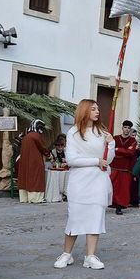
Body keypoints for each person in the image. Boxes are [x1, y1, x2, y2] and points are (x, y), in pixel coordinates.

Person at [56, 98, 111, 270]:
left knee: (95, 217)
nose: (97, 111)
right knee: (75, 217)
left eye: (97, 109)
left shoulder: (101, 132)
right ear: (84, 111)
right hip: (79, 182)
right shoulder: (73, 132)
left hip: (98, 181)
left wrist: (111, 144)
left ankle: (90, 256)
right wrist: (95, 161)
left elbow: (107, 160)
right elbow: (72, 159)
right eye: (93, 109)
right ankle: (67, 254)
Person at [111, 121, 139, 215]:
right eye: (125, 127)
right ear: (122, 128)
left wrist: (118, 149)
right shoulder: (115, 138)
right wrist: (124, 151)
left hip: (126, 168)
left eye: (128, 128)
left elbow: (130, 152)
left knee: (123, 188)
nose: (127, 129)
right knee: (113, 186)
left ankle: (120, 206)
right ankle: (113, 203)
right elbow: (111, 150)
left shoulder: (133, 140)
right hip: (114, 166)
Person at [18, 120, 49, 203]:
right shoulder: (36, 136)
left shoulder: (26, 137)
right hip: (35, 161)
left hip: (25, 161)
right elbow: (43, 148)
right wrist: (48, 154)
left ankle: (24, 198)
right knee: (35, 178)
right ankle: (35, 198)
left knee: (25, 178)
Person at [45, 134, 68, 202]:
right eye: (58, 145)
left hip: (65, 170)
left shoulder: (66, 151)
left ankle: (66, 193)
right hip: (56, 170)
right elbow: (52, 161)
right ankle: (57, 194)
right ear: (55, 145)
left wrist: (66, 162)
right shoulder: (53, 152)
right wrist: (53, 162)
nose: (60, 147)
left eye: (62, 145)